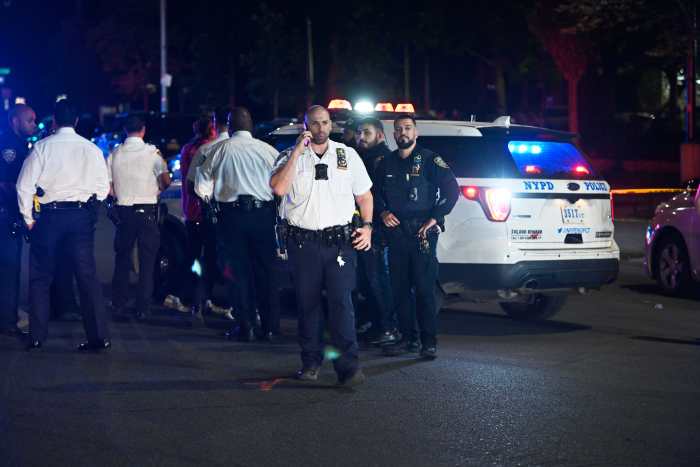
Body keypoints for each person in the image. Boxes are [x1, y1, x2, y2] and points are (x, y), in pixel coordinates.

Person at [270, 105, 373, 386]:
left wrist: (367, 227)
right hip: (303, 244)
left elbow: (364, 196)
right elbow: (278, 189)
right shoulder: (289, 157)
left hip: (339, 244)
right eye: (314, 124)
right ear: (305, 126)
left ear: (331, 125)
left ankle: (349, 368)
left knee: (342, 304)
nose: (320, 128)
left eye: (325, 123)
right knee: (308, 306)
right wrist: (296, 153)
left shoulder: (347, 156)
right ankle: (311, 363)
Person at [16, 99, 110, 351]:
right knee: (87, 276)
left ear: (54, 120)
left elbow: (23, 186)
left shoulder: (41, 148)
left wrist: (29, 219)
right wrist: (90, 211)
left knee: (41, 277)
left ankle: (37, 336)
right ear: (76, 121)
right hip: (80, 216)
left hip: (49, 217)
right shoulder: (91, 149)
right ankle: (98, 336)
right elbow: (103, 188)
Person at [374, 114, 459, 359]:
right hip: (395, 234)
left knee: (423, 289)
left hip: (422, 232)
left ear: (416, 132)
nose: (403, 133)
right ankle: (407, 338)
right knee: (399, 290)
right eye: (399, 129)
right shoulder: (385, 163)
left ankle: (428, 342)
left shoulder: (430, 159)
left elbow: (452, 190)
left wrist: (436, 217)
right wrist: (382, 212)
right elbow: (374, 193)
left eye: (408, 128)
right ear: (394, 134)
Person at [196, 107, 279, 341]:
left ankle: (246, 326)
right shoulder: (269, 151)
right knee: (266, 273)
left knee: (238, 274)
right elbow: (282, 184)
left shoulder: (217, 150)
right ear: (251, 125)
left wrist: (212, 200)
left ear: (230, 126)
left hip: (231, 218)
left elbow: (201, 188)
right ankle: (271, 328)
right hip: (263, 216)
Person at [108, 115, 171, 321]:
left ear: (125, 130)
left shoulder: (114, 154)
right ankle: (143, 307)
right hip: (147, 210)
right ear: (143, 129)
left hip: (124, 211)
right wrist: (158, 189)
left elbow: (108, 187)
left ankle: (118, 303)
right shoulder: (153, 153)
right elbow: (165, 180)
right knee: (147, 261)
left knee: (122, 259)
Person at [354, 117, 399, 346]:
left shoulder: (380, 160)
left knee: (377, 280)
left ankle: (387, 328)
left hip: (377, 231)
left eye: (367, 133)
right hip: (366, 229)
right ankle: (376, 324)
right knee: (366, 280)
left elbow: (378, 196)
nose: (361, 137)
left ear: (380, 135)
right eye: (359, 133)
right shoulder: (364, 157)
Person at [0, 104, 36, 337]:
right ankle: (7, 321)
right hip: (7, 215)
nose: (33, 124)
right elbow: (8, 185)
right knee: (9, 270)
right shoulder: (10, 148)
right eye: (29, 120)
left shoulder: (15, 143)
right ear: (15, 121)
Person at [180, 113, 217, 319]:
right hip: (204, 211)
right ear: (210, 130)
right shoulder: (206, 149)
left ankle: (192, 296)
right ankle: (206, 297)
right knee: (210, 257)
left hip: (190, 211)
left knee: (193, 256)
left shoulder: (188, 148)